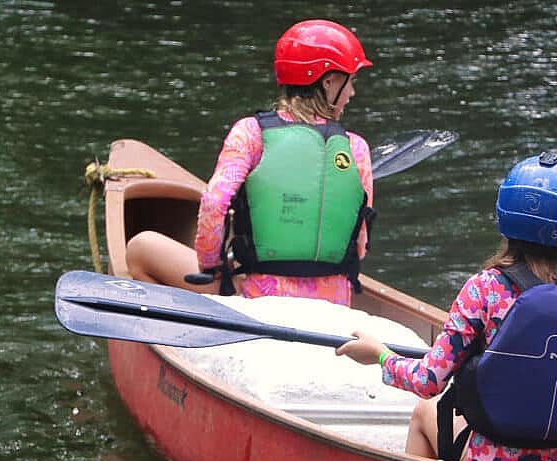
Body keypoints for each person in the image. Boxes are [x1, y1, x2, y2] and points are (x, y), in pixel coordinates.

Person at [336, 153, 557, 461]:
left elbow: (428, 381)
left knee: (422, 412)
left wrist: (379, 355)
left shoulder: (482, 290)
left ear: (505, 220)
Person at [125, 19, 375, 305]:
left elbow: (215, 202)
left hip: (257, 301)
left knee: (139, 248)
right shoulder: (356, 148)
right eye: (350, 81)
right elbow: (360, 246)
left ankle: (175, 334)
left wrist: (213, 266)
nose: (352, 93)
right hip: (333, 305)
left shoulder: (250, 133)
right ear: (328, 82)